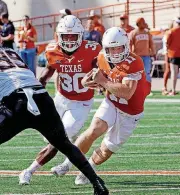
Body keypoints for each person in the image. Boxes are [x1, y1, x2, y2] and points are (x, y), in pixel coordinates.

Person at [0, 46, 108, 195]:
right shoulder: (10, 52)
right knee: (64, 144)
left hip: (17, 101)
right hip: (42, 98)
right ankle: (97, 183)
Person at [51, 27, 151, 185]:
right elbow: (87, 80)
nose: (116, 52)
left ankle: (89, 168)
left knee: (106, 148)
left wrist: (103, 81)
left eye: (119, 47)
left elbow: (127, 93)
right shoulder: (102, 57)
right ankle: (67, 164)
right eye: (111, 48)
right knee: (93, 130)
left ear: (126, 46)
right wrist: (87, 81)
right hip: (111, 102)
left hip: (130, 112)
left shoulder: (134, 61)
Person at [18, 14, 106, 188]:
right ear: (59, 35)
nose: (70, 40)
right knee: (53, 137)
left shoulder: (92, 49)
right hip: (60, 98)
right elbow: (48, 72)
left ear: (80, 35)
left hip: (81, 103)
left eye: (73, 36)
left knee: (58, 138)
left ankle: (29, 170)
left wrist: (101, 80)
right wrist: (35, 87)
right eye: (66, 36)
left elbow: (102, 70)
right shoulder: (52, 50)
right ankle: (68, 162)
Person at [129, 17, 155, 84]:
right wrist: (130, 54)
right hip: (137, 57)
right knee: (136, 73)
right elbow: (129, 44)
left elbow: (151, 43)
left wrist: (153, 52)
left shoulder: (147, 32)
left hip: (146, 56)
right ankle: (137, 88)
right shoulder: (133, 33)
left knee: (147, 72)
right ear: (138, 24)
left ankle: (148, 88)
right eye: (143, 23)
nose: (144, 24)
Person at [166, 17, 180, 96]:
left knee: (174, 72)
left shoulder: (171, 31)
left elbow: (167, 42)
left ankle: (173, 90)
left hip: (173, 54)